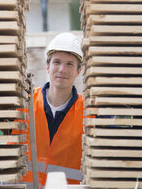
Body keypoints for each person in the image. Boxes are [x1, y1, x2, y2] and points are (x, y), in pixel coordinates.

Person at [20, 32, 84, 188]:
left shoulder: (87, 112)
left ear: (78, 71)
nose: (62, 69)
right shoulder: (24, 103)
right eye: (57, 62)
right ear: (47, 67)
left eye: (70, 64)